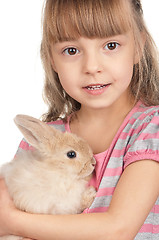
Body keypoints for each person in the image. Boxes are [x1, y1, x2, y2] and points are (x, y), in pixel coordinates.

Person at [0, 0, 159, 239]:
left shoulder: (150, 129)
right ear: (52, 58)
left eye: (111, 45)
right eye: (71, 50)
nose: (92, 67)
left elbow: (118, 229)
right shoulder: (39, 144)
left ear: (138, 46)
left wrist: (12, 221)